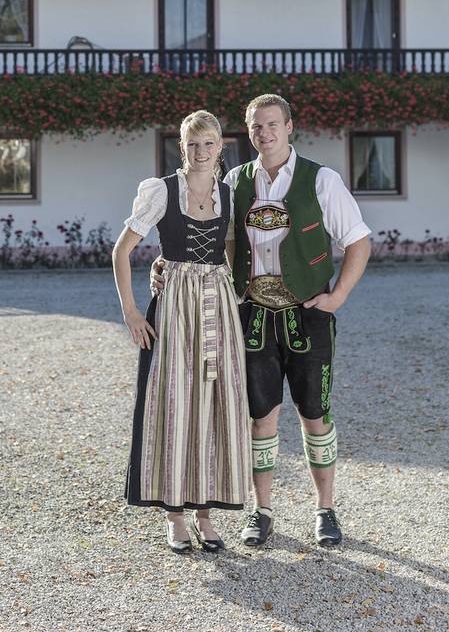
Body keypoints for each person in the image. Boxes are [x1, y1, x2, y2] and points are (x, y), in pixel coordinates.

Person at [151, 93, 371, 549]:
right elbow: (206, 234)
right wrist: (165, 262)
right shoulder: (233, 181)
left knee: (315, 414)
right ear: (247, 133)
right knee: (260, 417)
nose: (264, 134)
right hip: (251, 313)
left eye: (272, 125)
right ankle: (261, 510)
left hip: (308, 312)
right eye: (255, 127)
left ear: (290, 127)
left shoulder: (321, 179)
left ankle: (325, 510)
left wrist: (340, 295)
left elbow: (358, 241)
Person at [112, 110, 252, 553]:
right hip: (173, 307)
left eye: (208, 144)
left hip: (216, 307)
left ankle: (205, 515)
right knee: (174, 402)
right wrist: (132, 311)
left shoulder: (228, 194)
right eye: (192, 144)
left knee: (212, 404)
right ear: (182, 146)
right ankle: (174, 516)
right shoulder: (162, 191)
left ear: (220, 148)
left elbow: (229, 251)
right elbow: (121, 250)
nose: (200, 152)